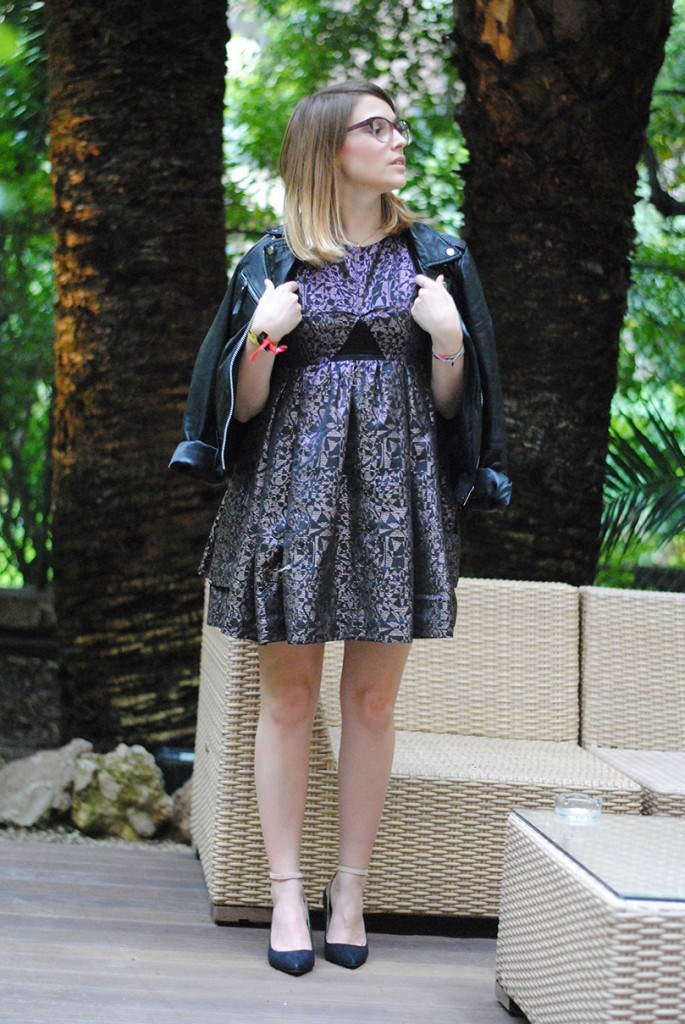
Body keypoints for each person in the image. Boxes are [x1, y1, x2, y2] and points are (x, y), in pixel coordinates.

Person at [169, 80, 510, 975]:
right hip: (291, 496)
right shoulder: (273, 262)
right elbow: (240, 411)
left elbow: (454, 409)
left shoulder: (435, 258)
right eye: (377, 127)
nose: (398, 140)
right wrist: (260, 338)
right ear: (329, 149)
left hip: (396, 499)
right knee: (287, 698)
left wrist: (448, 338)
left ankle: (348, 889)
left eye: (398, 126)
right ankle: (287, 892)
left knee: (370, 703)